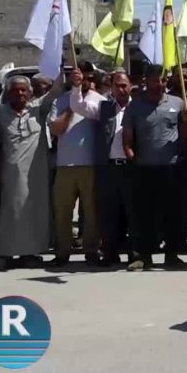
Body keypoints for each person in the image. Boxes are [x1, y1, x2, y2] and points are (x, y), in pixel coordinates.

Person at [0, 75, 61, 272]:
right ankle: (3, 255)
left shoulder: (39, 109)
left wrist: (64, 66)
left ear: (30, 93)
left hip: (36, 173)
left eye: (23, 90)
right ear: (8, 93)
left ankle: (30, 254)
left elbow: (55, 91)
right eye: (15, 90)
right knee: (7, 213)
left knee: (33, 213)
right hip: (9, 173)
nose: (19, 93)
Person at [122, 65, 187, 270]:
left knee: (173, 214)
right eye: (156, 80)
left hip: (171, 169)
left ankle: (172, 254)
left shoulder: (178, 103)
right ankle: (144, 256)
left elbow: (185, 136)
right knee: (145, 215)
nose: (160, 84)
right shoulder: (135, 105)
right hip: (144, 169)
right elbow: (127, 135)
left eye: (163, 80)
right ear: (146, 80)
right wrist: (130, 154)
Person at [70, 68, 134, 266]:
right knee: (108, 213)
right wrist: (76, 85)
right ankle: (110, 253)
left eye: (124, 85)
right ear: (112, 88)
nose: (121, 90)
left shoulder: (138, 107)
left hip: (132, 169)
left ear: (130, 86)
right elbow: (78, 106)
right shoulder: (103, 107)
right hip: (108, 169)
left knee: (132, 213)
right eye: (117, 86)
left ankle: (135, 255)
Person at [48, 69, 101, 267]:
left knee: (91, 212)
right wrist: (71, 106)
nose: (84, 81)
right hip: (65, 165)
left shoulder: (100, 100)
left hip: (91, 164)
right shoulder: (60, 101)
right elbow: (56, 129)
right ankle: (62, 252)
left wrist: (79, 104)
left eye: (87, 78)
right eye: (80, 78)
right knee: (62, 212)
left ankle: (91, 250)